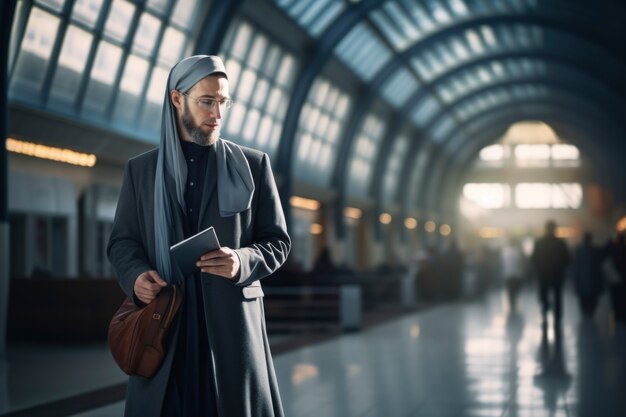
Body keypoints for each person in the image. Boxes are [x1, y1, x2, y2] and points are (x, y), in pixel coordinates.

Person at [107, 55, 291, 417]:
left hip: (230, 326)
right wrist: (136, 277)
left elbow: (278, 241)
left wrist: (242, 260)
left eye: (223, 102)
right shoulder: (141, 171)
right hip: (166, 324)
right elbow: (122, 242)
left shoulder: (254, 165)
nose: (217, 113)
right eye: (207, 101)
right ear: (177, 99)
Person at [531, 220, 570, 325]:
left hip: (543, 274)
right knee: (558, 296)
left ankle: (545, 311)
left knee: (544, 295)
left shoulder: (539, 243)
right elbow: (567, 259)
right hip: (557, 275)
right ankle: (557, 317)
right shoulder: (560, 243)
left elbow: (533, 259)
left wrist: (539, 269)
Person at [572, 232, 604, 317]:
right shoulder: (595, 251)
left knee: (584, 297)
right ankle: (590, 312)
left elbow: (576, 266)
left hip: (583, 279)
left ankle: (586, 312)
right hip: (592, 279)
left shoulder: (579, 251)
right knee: (591, 297)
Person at [499, 236, 527, 311]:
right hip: (516, 274)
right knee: (514, 290)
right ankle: (513, 302)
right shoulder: (516, 252)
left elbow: (501, 263)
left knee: (510, 290)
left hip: (508, 274)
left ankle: (512, 303)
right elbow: (521, 263)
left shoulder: (505, 252)